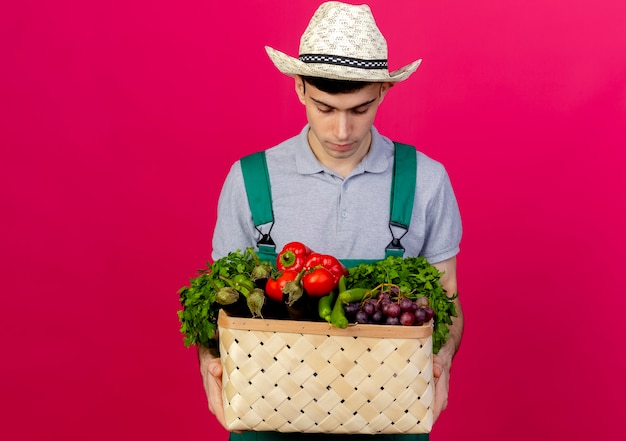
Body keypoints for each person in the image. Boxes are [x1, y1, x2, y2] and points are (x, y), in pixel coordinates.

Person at [198, 2, 464, 440]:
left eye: (359, 110)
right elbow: (218, 302)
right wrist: (210, 362)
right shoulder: (249, 180)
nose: (342, 131)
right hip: (268, 415)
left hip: (389, 414)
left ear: (382, 91)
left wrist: (443, 361)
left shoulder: (426, 181)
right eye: (325, 108)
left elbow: (447, 298)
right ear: (300, 88)